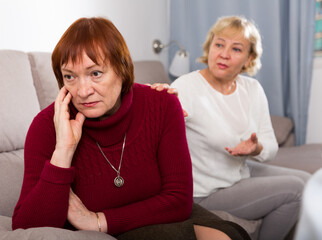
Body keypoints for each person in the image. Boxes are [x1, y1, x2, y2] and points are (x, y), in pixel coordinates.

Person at [11, 17, 251, 240]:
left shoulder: (162, 103)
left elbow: (179, 200)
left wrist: (97, 221)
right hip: (124, 232)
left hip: (157, 215)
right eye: (70, 77)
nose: (83, 91)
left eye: (95, 73)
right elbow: (28, 228)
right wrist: (63, 151)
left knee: (229, 235)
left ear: (122, 69)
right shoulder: (46, 127)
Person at [158, 16, 310, 240]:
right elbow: (159, 130)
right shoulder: (185, 87)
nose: (224, 54)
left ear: (248, 59)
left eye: (236, 49)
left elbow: (269, 146)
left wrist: (255, 149)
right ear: (210, 46)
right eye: (219, 44)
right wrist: (169, 116)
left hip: (239, 171)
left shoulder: (252, 89)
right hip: (203, 192)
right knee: (296, 190)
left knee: (309, 182)